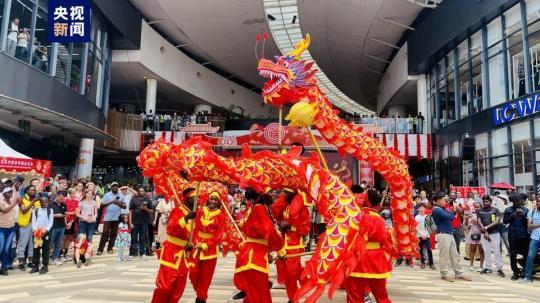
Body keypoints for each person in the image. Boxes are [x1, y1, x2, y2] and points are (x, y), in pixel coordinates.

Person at [344, 189, 394, 303]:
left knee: (354, 296)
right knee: (382, 297)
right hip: (376, 260)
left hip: (358, 259)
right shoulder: (379, 219)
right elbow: (383, 240)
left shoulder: (356, 217)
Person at [234, 191, 283, 303]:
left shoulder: (260, 208)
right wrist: (280, 249)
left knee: (253, 295)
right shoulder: (260, 208)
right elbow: (269, 230)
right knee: (260, 295)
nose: (273, 194)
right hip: (254, 258)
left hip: (255, 255)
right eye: (270, 192)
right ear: (264, 194)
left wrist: (269, 253)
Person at [151, 188, 197, 303]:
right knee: (164, 286)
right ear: (187, 199)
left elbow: (193, 235)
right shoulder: (178, 211)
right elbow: (171, 228)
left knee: (178, 288)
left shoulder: (194, 214)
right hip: (171, 253)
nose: (198, 201)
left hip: (184, 256)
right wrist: (186, 218)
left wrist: (191, 245)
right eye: (195, 198)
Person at [270, 189, 310, 303]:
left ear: (294, 193)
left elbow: (305, 228)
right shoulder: (285, 206)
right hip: (283, 243)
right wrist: (281, 225)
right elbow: (277, 216)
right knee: (290, 271)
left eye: (287, 192)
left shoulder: (303, 208)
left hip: (295, 245)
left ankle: (293, 298)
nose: (285, 194)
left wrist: (291, 227)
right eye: (284, 192)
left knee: (290, 272)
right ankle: (307, 284)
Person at [190, 191, 225, 303]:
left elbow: (219, 235)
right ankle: (200, 294)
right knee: (193, 274)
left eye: (216, 200)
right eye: (212, 199)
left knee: (206, 277)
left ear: (219, 202)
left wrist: (206, 245)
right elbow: (195, 228)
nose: (213, 201)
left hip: (210, 250)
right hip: (196, 247)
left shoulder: (221, 215)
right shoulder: (200, 210)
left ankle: (201, 298)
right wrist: (194, 242)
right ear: (208, 199)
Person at [431, 191, 471, 282]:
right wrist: (454, 211)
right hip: (443, 234)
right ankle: (444, 273)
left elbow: (449, 215)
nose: (446, 201)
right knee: (444, 255)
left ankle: (459, 273)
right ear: (438, 200)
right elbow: (450, 217)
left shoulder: (442, 208)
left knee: (454, 254)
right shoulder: (436, 209)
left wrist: (453, 210)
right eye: (444, 199)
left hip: (449, 233)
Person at [503, 193, 530, 280]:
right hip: (513, 235)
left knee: (525, 254)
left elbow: (528, 223)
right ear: (512, 201)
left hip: (524, 235)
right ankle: (515, 271)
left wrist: (523, 215)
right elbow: (505, 221)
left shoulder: (526, 210)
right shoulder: (508, 210)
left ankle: (525, 272)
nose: (518, 202)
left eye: (520, 200)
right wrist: (513, 215)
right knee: (513, 254)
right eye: (516, 201)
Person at [478, 194, 505, 277]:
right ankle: (488, 268)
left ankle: (499, 269)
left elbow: (497, 221)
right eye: (484, 201)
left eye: (487, 201)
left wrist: (486, 228)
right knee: (486, 251)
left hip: (494, 233)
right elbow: (479, 221)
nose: (485, 203)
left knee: (497, 251)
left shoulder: (495, 210)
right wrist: (484, 230)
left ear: (490, 202)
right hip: (484, 234)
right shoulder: (480, 210)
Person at [97, 182, 126, 255]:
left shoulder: (121, 195)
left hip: (117, 217)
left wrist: (119, 203)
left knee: (114, 233)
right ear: (111, 187)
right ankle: (100, 249)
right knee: (105, 233)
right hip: (108, 217)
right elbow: (102, 205)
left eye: (116, 186)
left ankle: (110, 248)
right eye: (113, 186)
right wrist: (111, 202)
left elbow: (125, 206)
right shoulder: (107, 195)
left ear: (118, 187)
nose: (115, 187)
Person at [17, 186, 39, 271]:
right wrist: (33, 201)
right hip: (25, 224)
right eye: (32, 190)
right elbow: (23, 210)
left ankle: (30, 262)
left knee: (32, 244)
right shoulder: (21, 199)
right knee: (23, 244)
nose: (34, 191)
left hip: (34, 225)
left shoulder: (37, 200)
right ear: (27, 191)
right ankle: (21, 263)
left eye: (34, 190)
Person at [30, 196, 54, 274]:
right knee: (36, 249)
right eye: (44, 202)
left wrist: (46, 230)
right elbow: (33, 221)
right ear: (40, 203)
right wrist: (34, 230)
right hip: (36, 233)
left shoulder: (50, 210)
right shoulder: (35, 210)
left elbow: (50, 222)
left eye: (47, 202)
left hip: (45, 233)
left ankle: (45, 266)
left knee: (45, 250)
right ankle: (35, 266)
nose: (46, 203)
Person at [75, 189, 97, 268]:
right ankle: (79, 257)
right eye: (89, 193)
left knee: (90, 238)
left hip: (91, 222)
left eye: (91, 193)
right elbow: (77, 213)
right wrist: (84, 217)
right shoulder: (81, 202)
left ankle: (87, 255)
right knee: (81, 238)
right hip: (83, 222)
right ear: (85, 194)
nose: (90, 194)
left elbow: (96, 213)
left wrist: (94, 218)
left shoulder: (94, 202)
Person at [129, 186, 153, 259]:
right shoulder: (133, 200)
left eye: (143, 191)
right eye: (140, 191)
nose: (142, 192)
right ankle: (132, 253)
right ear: (138, 192)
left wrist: (145, 209)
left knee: (142, 238)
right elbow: (130, 211)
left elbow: (151, 211)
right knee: (133, 238)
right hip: (135, 222)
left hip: (144, 222)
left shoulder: (148, 200)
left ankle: (142, 253)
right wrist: (130, 222)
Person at [520, 200, 540, 283]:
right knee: (530, 257)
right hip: (534, 237)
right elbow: (529, 226)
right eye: (537, 202)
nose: (538, 204)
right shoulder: (531, 212)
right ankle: (527, 277)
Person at [0, 188, 18, 275]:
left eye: (11, 192)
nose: (11, 193)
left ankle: (4, 267)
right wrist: (15, 204)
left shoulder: (12, 202)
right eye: (8, 192)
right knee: (1, 248)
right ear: (4, 194)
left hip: (11, 228)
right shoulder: (1, 202)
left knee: (7, 249)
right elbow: (4, 210)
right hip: (1, 228)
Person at [61, 188, 79, 261]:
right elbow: (63, 211)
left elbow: (76, 212)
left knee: (69, 238)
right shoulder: (64, 201)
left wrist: (69, 213)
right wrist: (69, 214)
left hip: (72, 221)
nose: (74, 195)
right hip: (64, 221)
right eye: (73, 193)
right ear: (69, 193)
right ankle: (61, 254)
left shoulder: (76, 202)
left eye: (75, 193)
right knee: (63, 238)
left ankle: (65, 253)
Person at [50, 190, 67, 266]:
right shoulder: (50, 204)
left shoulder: (64, 204)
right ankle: (47, 258)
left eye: (63, 198)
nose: (61, 200)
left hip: (62, 226)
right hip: (53, 226)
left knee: (59, 243)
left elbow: (65, 213)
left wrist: (66, 215)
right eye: (60, 198)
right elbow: (47, 214)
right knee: (50, 243)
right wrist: (56, 215)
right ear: (57, 195)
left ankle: (55, 258)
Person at [465, 202, 484, 271]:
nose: (476, 208)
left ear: (481, 207)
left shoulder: (483, 214)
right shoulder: (471, 214)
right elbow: (468, 226)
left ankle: (481, 266)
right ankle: (471, 265)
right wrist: (470, 223)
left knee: (481, 250)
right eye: (475, 207)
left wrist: (478, 222)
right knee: (472, 250)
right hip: (473, 233)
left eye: (478, 207)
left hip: (481, 233)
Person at [415, 204, 434, 269]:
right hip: (419, 235)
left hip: (427, 235)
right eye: (420, 208)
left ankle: (431, 263)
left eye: (423, 208)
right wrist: (421, 235)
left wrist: (425, 235)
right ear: (418, 209)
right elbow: (416, 227)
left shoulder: (427, 217)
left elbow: (429, 227)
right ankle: (422, 263)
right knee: (420, 250)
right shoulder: (417, 217)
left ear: (425, 209)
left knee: (429, 249)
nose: (422, 209)